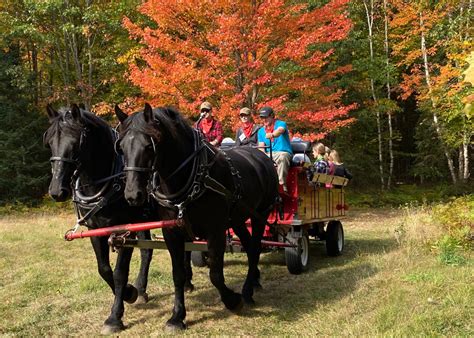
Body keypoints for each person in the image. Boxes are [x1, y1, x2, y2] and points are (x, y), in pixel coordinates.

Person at [257, 106, 293, 193]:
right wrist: (262, 156)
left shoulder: (281, 124)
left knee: (283, 157)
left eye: (266, 117)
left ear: (272, 116)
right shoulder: (261, 131)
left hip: (282, 152)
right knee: (257, 160)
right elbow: (261, 147)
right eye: (262, 117)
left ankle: (281, 185)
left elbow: (280, 131)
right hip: (269, 154)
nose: (264, 120)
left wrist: (272, 134)